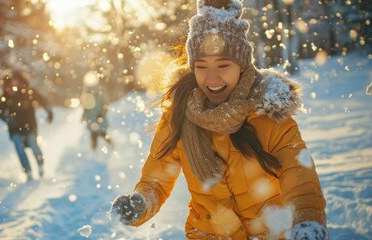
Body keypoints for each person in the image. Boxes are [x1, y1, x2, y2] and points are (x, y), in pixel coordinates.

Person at [110, 1, 328, 239]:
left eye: (223, 65)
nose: (211, 77)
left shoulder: (269, 115)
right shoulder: (179, 117)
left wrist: (306, 220)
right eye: (201, 66)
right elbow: (157, 177)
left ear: (242, 66)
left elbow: (298, 175)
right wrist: (141, 202)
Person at [0, 71, 53, 181]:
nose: (14, 84)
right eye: (11, 82)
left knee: (33, 144)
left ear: (20, 80)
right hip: (15, 128)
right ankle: (27, 171)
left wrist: (49, 111)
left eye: (16, 81)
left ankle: (41, 165)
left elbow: (42, 100)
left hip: (30, 125)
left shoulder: (28, 91)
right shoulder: (7, 94)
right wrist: (8, 119)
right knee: (19, 147)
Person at [80, 84, 113, 150]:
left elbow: (105, 105)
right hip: (92, 120)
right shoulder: (87, 96)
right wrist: (83, 117)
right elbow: (85, 109)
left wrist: (102, 113)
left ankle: (112, 146)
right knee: (95, 136)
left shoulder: (99, 95)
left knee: (102, 134)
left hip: (98, 119)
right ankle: (94, 151)